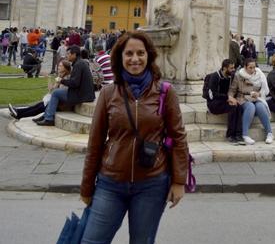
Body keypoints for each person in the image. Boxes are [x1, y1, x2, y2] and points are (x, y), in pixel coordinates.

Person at [80, 30, 189, 243]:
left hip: (152, 183)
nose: (135, 59)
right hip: (110, 181)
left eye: (140, 53)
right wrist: (86, 186)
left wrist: (179, 182)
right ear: (120, 58)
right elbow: (95, 142)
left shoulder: (165, 92)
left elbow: (178, 139)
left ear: (149, 56)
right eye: (129, 54)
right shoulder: (108, 93)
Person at [35, 45, 95, 126]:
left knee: (56, 93)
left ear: (74, 55)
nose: (67, 55)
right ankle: (46, 116)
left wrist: (61, 80)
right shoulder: (80, 63)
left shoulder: (78, 64)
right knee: (56, 93)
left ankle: (48, 118)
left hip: (82, 95)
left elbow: (74, 83)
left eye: (69, 54)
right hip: (84, 93)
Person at [228, 58, 273, 145]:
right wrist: (230, 97)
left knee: (260, 107)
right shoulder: (239, 75)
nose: (252, 70)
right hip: (243, 98)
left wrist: (259, 94)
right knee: (250, 106)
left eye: (254, 67)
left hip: (256, 98)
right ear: (245, 67)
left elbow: (263, 90)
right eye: (250, 68)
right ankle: (245, 135)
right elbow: (232, 90)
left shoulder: (259, 74)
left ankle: (269, 133)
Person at [206, 59, 243, 144]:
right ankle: (230, 135)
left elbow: (234, 90)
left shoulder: (231, 76)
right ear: (224, 68)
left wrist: (232, 99)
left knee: (239, 107)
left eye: (234, 68)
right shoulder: (215, 76)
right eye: (231, 68)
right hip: (213, 103)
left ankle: (238, 134)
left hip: (225, 100)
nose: (233, 70)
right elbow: (213, 95)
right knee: (233, 108)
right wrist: (228, 98)